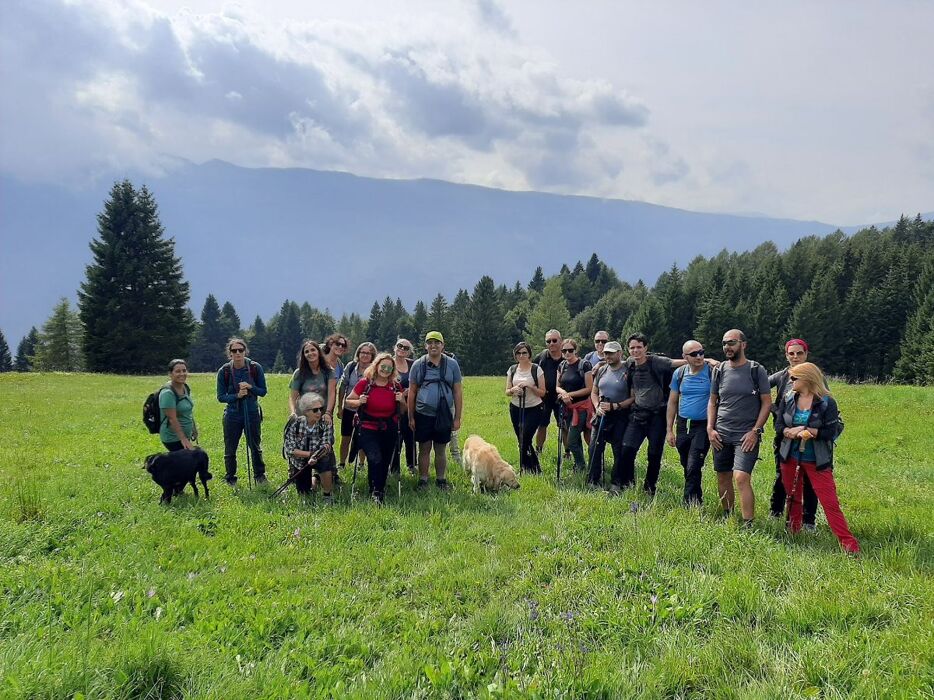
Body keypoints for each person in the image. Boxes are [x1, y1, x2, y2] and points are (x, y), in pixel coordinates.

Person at [776, 362, 859, 553]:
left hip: (817, 460)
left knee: (830, 503)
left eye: (794, 378)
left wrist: (806, 430)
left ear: (807, 379)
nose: (791, 381)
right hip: (789, 457)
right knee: (792, 497)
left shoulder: (827, 402)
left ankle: (849, 544)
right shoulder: (788, 398)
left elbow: (830, 432)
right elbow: (779, 426)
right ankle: (794, 532)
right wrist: (789, 432)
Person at [618, 333, 697, 496]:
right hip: (638, 414)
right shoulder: (631, 363)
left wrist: (704, 360)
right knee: (627, 450)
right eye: (632, 348)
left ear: (645, 348)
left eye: (639, 347)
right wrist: (599, 365)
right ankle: (628, 484)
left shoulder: (656, 362)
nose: (635, 350)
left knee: (654, 454)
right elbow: (618, 363)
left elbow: (678, 362)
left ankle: (650, 487)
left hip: (657, 416)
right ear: (628, 349)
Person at [707, 329, 771, 525]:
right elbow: (712, 401)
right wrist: (710, 429)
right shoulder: (719, 370)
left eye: (732, 343)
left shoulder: (756, 369)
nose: (727, 347)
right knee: (723, 476)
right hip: (721, 434)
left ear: (743, 345)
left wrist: (755, 431)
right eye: (724, 343)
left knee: (741, 477)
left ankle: (748, 524)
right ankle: (728, 515)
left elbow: (767, 403)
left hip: (746, 435)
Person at [768, 338, 819, 529]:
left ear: (806, 354)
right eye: (791, 353)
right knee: (782, 473)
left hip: (809, 436)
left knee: (809, 477)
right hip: (785, 435)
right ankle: (776, 512)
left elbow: (824, 404)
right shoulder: (781, 376)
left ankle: (808, 520)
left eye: (799, 353)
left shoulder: (815, 376)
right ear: (786, 355)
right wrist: (774, 409)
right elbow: (758, 386)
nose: (795, 357)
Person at [345, 352, 405, 504]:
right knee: (374, 457)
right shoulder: (365, 383)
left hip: (389, 427)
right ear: (376, 366)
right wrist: (359, 401)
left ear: (393, 370)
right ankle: (375, 490)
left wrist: (402, 400)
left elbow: (403, 410)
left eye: (389, 368)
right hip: (367, 427)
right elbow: (348, 401)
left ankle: (378, 489)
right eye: (383, 366)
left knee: (385, 460)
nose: (385, 370)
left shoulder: (395, 386)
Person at [408, 331, 463, 490]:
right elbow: (412, 391)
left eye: (437, 342)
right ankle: (423, 480)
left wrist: (457, 418)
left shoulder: (452, 364)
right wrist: (411, 417)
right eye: (430, 343)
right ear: (425, 346)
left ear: (442, 345)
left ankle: (441, 480)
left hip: (444, 414)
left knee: (441, 448)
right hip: (423, 413)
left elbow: (457, 391)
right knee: (424, 448)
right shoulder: (418, 364)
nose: (433, 346)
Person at [666, 340, 713, 506]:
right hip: (683, 424)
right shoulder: (679, 373)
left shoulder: (712, 372)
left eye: (701, 352)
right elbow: (672, 402)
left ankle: (689, 504)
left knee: (694, 465)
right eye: (694, 354)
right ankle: (696, 497)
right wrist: (669, 430)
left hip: (703, 425)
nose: (699, 356)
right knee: (686, 464)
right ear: (685, 357)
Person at [216, 338, 268, 485]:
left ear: (245, 351)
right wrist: (237, 396)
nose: (238, 353)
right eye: (234, 350)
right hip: (232, 415)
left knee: (255, 446)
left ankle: (260, 475)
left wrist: (251, 387)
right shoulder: (224, 371)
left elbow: (263, 391)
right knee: (230, 448)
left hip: (252, 413)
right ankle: (230, 477)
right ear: (230, 353)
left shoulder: (255, 368)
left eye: (241, 350)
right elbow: (221, 397)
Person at [589, 341, 632, 488]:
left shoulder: (628, 371)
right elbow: (594, 393)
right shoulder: (601, 370)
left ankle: (616, 483)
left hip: (620, 415)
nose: (608, 356)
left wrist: (616, 405)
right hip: (601, 415)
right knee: (594, 448)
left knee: (618, 450)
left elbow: (633, 397)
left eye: (611, 353)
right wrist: (597, 406)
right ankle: (593, 481)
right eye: (606, 353)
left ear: (620, 353)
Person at [283, 392, 337, 502]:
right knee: (304, 494)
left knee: (325, 464)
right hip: (300, 460)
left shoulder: (326, 423)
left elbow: (326, 445)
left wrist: (316, 456)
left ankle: (327, 495)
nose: (319, 412)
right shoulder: (294, 424)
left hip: (320, 456)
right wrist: (310, 455)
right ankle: (315, 480)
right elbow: (290, 450)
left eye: (321, 409)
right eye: (315, 410)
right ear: (306, 411)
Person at [505, 341, 546, 473]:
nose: (521, 356)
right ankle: (531, 468)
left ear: (529, 354)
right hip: (516, 408)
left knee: (526, 437)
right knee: (521, 439)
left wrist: (530, 387)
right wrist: (513, 390)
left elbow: (542, 392)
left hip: (534, 408)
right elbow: (507, 391)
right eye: (518, 353)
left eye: (524, 353)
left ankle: (528, 468)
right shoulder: (512, 369)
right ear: (515, 355)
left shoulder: (536, 369)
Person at [556, 339, 593, 471]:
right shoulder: (562, 366)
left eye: (570, 350)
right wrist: (563, 393)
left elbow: (589, 388)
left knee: (571, 441)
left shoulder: (584, 365)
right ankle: (580, 465)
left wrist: (569, 394)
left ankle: (582, 465)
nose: (567, 353)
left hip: (582, 408)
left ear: (575, 350)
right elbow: (557, 386)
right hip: (567, 409)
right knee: (575, 439)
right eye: (564, 351)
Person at [337, 342, 376, 470]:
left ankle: (361, 464)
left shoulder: (375, 370)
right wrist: (340, 407)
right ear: (358, 353)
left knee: (363, 437)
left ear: (372, 356)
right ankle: (342, 463)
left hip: (367, 410)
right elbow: (343, 386)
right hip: (349, 408)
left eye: (368, 353)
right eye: (363, 352)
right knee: (345, 437)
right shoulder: (351, 366)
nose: (365, 355)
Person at [288, 340, 336, 423]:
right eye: (306, 352)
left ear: (318, 352)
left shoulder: (329, 371)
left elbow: (331, 394)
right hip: (303, 416)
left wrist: (328, 413)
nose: (310, 353)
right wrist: (292, 412)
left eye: (313, 350)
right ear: (304, 356)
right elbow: (292, 397)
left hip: (323, 415)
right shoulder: (299, 373)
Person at [534, 329, 565, 453]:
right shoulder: (541, 357)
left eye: (554, 340)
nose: (551, 343)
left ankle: (567, 452)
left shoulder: (567, 355)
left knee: (564, 426)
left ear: (560, 341)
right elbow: (531, 371)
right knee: (542, 425)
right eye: (548, 341)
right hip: (544, 398)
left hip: (562, 398)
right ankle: (538, 450)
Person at [159, 359, 196, 452]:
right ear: (170, 374)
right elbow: (172, 419)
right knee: (185, 460)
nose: (182, 374)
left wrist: (193, 428)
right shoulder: (168, 393)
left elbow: (188, 410)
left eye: (184, 370)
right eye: (178, 371)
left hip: (185, 435)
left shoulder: (185, 387)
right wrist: (183, 439)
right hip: (173, 438)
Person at [391, 338, 415, 475]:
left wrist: (410, 391)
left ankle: (412, 465)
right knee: (395, 438)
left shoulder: (413, 364)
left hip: (409, 406)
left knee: (410, 436)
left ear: (409, 352)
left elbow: (418, 382)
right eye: (400, 346)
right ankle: (394, 468)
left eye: (406, 348)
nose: (402, 349)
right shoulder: (388, 362)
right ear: (395, 347)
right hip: (392, 407)